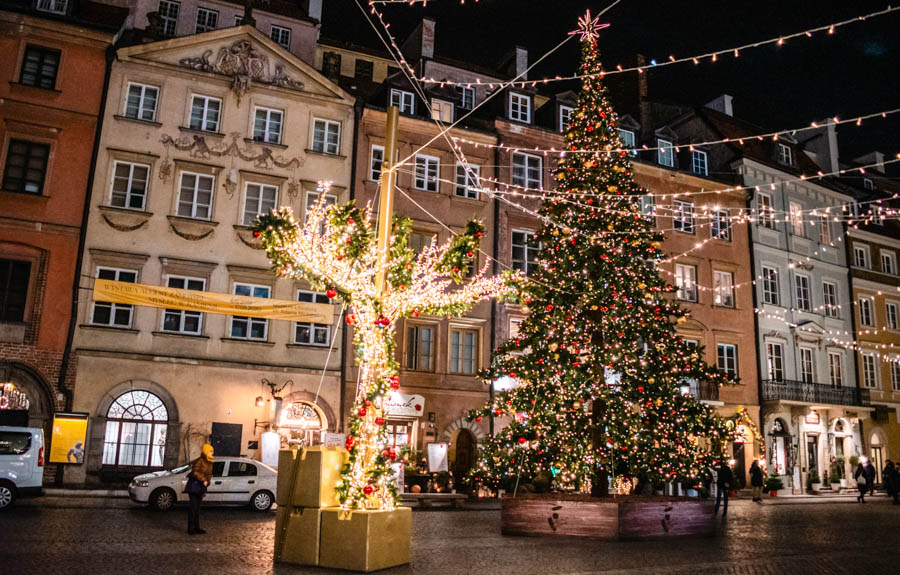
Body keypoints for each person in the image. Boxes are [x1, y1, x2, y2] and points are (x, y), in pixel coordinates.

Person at [187, 443, 214, 535]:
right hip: (194, 487)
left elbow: (209, 475)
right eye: (210, 451)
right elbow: (194, 471)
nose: (212, 453)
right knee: (193, 508)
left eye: (212, 452)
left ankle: (197, 527)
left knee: (197, 509)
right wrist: (203, 480)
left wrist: (207, 481)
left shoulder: (209, 462)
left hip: (201, 488)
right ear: (206, 451)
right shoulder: (200, 460)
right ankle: (190, 528)